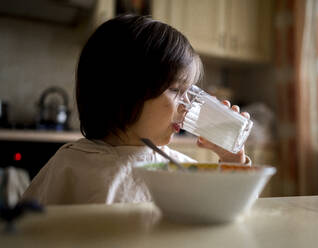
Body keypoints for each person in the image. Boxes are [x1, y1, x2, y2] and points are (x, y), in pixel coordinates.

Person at [22, 14, 251, 205]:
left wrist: (232, 162)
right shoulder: (71, 166)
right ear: (125, 91)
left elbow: (228, 209)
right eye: (176, 90)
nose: (188, 105)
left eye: (188, 92)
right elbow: (25, 231)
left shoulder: (178, 167)